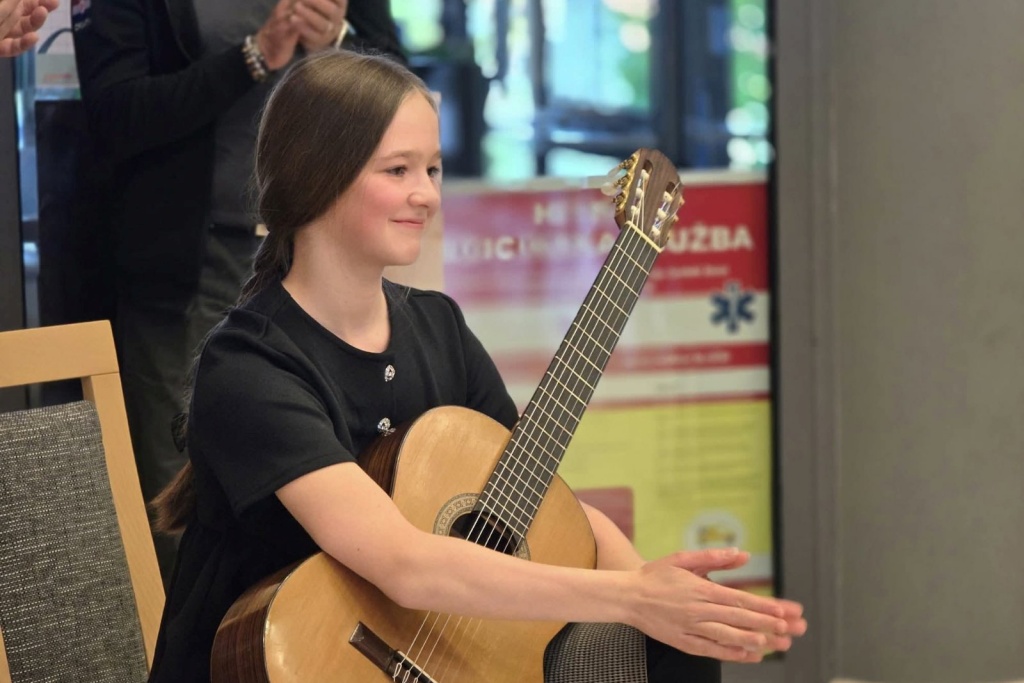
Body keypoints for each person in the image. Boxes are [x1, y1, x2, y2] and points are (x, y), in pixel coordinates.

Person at [146, 50, 807, 683]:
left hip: (442, 643)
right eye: (397, 170)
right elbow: (404, 565)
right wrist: (632, 595)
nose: (426, 195)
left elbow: (537, 502)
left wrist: (666, 596)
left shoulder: (438, 326)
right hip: (301, 661)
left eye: (433, 170)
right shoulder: (250, 363)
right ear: (316, 175)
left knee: (673, 646)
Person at [70, 0, 405, 582]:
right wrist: (252, 58)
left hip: (326, 256)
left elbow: (400, 93)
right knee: (176, 494)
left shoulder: (433, 320)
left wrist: (337, 44)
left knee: (343, 474)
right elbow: (116, 113)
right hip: (184, 265)